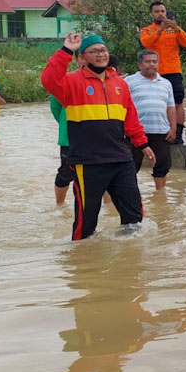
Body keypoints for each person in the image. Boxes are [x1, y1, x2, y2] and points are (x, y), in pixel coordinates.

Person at [41, 33, 154, 240]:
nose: (101, 54)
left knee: (134, 217)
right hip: (88, 161)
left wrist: (142, 143)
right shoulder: (71, 83)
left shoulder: (120, 83)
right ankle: (82, 262)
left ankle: (131, 260)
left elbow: (130, 118)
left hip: (121, 158)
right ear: (82, 58)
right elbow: (49, 79)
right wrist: (66, 50)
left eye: (103, 50)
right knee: (87, 220)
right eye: (94, 51)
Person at [140, 1, 186, 145]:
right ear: (151, 14)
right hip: (153, 73)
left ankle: (178, 134)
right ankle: (160, 133)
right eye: (157, 11)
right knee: (156, 103)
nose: (160, 14)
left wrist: (177, 29)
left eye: (163, 11)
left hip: (173, 70)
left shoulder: (175, 29)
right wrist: (160, 31)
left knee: (178, 102)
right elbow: (146, 44)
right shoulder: (147, 30)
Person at [124, 49, 176, 190]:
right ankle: (128, 194)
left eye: (154, 61)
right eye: (147, 61)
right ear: (139, 64)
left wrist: (173, 128)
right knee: (130, 166)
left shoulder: (166, 83)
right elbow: (122, 107)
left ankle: (160, 195)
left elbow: (171, 107)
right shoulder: (128, 82)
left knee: (162, 165)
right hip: (135, 132)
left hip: (161, 131)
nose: (151, 64)